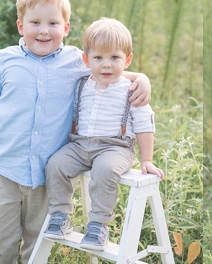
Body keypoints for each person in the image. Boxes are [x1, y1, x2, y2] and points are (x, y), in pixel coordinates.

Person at [0, 0, 151, 263]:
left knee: (37, 246)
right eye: (35, 22)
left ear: (66, 27)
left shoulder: (76, 60)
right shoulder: (6, 59)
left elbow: (110, 69)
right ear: (20, 26)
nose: (44, 30)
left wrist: (141, 78)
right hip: (4, 169)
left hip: (46, 176)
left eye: (53, 23)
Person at [41, 18, 164, 250]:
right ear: (87, 60)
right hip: (79, 145)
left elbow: (145, 125)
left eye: (114, 58)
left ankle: (98, 225)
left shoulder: (132, 89)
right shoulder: (81, 84)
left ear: (127, 60)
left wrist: (146, 159)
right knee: (55, 164)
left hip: (115, 147)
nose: (106, 65)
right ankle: (60, 215)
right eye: (98, 58)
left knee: (104, 170)